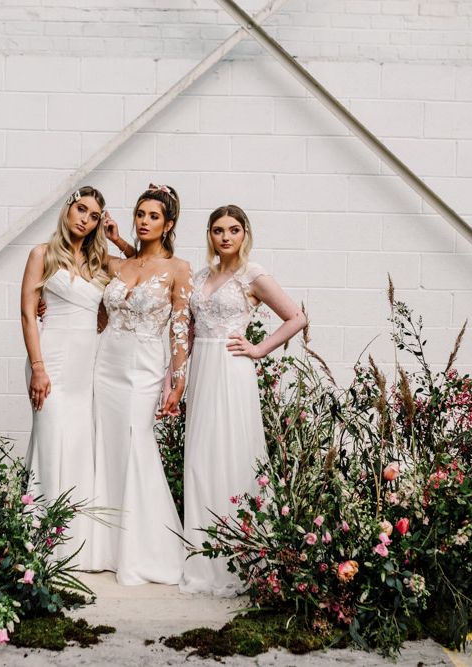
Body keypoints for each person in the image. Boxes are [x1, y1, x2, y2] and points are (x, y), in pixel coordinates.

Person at [180, 204, 307, 596]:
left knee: (232, 452)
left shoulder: (253, 275)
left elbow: (296, 317)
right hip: (202, 367)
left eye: (233, 230)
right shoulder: (200, 276)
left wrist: (258, 349)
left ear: (244, 234)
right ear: (210, 235)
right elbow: (186, 326)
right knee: (201, 455)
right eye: (218, 230)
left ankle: (240, 554)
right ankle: (202, 554)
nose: (226, 237)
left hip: (232, 370)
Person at [21, 185, 132, 567]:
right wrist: (38, 367)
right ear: (68, 210)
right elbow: (26, 314)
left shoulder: (100, 263)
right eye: (81, 209)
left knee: (79, 445)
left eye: (94, 215)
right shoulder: (42, 254)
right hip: (49, 361)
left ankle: (73, 544)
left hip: (85, 368)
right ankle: (40, 542)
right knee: (50, 441)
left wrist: (119, 240)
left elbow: (143, 267)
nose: (85, 218)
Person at [90, 184, 191, 586]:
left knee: (136, 440)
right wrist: (45, 302)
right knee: (106, 442)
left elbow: (181, 329)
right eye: (140, 214)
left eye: (153, 216)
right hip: (106, 362)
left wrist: (177, 383)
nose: (144, 221)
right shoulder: (119, 265)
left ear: (168, 225)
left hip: (145, 366)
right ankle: (105, 548)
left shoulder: (179, 269)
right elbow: (78, 282)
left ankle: (145, 550)